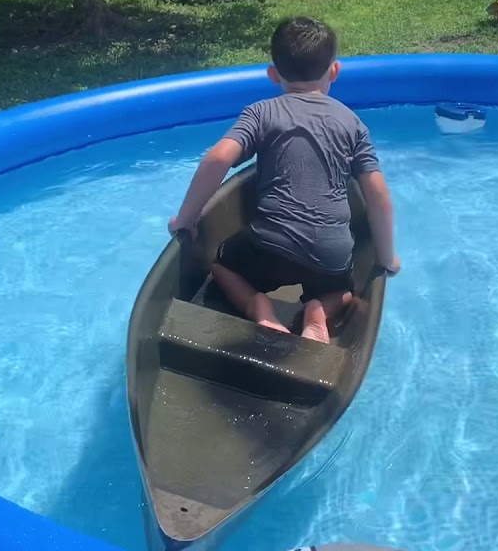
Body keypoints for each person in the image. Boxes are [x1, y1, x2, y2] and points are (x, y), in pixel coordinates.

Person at [168, 17, 400, 344]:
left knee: (220, 267)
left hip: (269, 248)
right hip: (329, 258)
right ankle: (320, 308)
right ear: (334, 71)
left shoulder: (261, 112)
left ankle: (256, 305)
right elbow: (378, 197)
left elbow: (218, 158)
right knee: (346, 292)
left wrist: (187, 219)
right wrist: (387, 257)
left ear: (273, 74)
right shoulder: (353, 124)